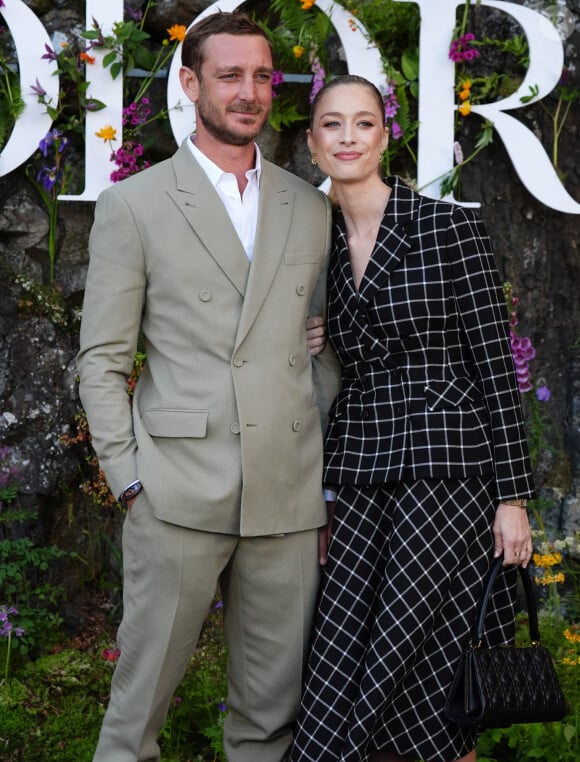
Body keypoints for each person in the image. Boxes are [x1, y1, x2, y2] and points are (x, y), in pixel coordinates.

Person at [77, 11, 340, 762]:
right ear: (190, 83)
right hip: (177, 492)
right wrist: (130, 480)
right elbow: (101, 359)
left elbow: (319, 351)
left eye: (262, 75)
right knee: (134, 723)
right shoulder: (136, 205)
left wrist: (324, 486)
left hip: (287, 498)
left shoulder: (308, 205)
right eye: (230, 75)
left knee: (269, 724)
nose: (249, 92)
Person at [290, 75, 535, 762]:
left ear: (384, 136)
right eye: (331, 125)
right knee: (343, 643)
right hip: (360, 467)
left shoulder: (447, 225)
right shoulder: (314, 243)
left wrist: (512, 498)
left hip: (447, 470)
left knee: (420, 653)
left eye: (362, 123)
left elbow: (494, 363)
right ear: (312, 144)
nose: (347, 137)